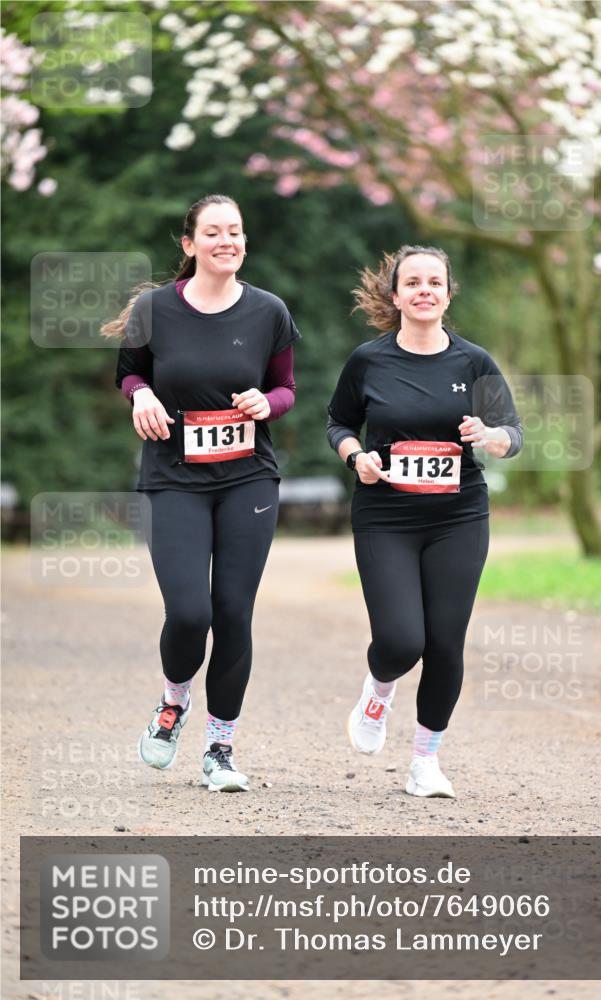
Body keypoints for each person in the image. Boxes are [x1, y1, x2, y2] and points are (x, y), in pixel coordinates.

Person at [103, 194, 300, 792]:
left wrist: (268, 403)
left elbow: (286, 388)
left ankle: (220, 746)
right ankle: (172, 702)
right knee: (190, 612)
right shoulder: (154, 309)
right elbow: (129, 371)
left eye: (235, 231)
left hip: (248, 478)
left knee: (234, 613)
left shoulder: (268, 311)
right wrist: (140, 394)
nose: (226, 241)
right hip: (173, 478)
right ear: (190, 245)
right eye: (213, 232)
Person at [327, 245, 522, 798]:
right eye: (413, 282)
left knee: (445, 643)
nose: (424, 291)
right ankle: (379, 687)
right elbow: (339, 422)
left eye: (434, 282)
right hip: (385, 515)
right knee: (400, 639)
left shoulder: (474, 363)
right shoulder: (369, 360)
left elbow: (513, 433)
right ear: (396, 296)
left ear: (448, 293)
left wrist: (490, 437)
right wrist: (354, 456)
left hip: (458, 515)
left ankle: (425, 761)